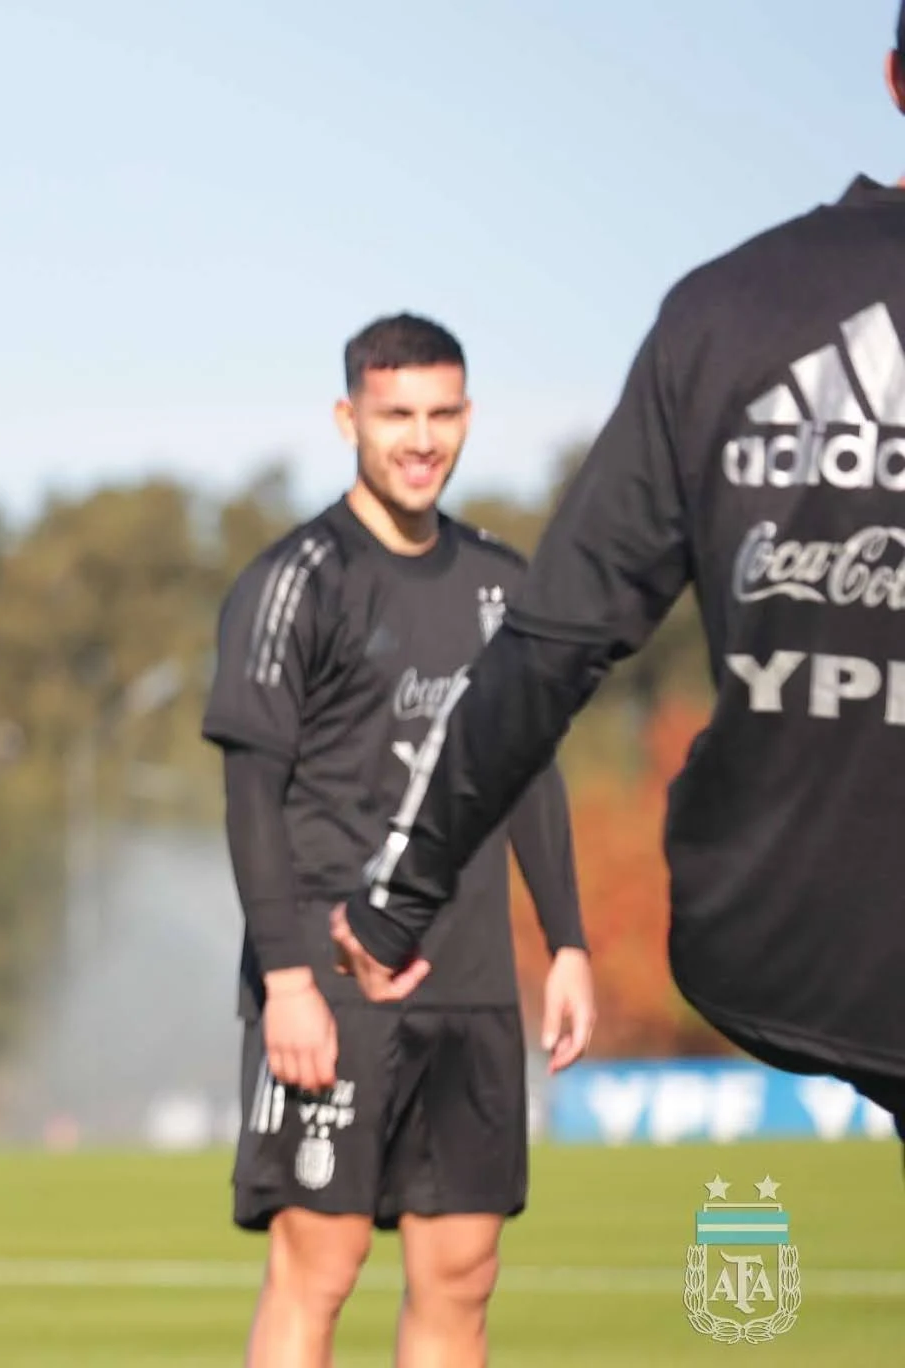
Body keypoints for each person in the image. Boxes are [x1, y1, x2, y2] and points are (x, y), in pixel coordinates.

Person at [331, 8, 905, 1144]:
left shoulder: (725, 311)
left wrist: (403, 888)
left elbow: (552, 641)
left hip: (782, 925)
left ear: (891, 80)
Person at [202, 314, 597, 1367]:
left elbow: (527, 773)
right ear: (347, 420)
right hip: (329, 985)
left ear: (464, 417)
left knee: (461, 1279)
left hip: (468, 987)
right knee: (315, 1273)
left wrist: (565, 943)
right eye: (394, 416)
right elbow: (249, 791)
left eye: (439, 415)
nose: (419, 439)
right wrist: (284, 976)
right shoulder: (296, 581)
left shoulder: (503, 586)